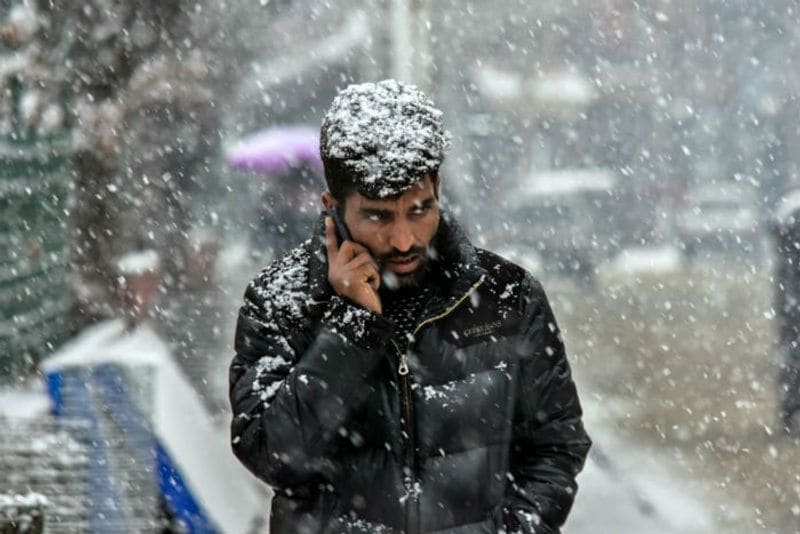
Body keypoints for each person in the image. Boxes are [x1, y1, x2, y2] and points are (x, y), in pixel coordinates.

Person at [229, 79, 591, 534]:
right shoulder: (282, 301)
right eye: (378, 216)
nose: (404, 239)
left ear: (437, 187)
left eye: (419, 210)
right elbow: (271, 454)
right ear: (333, 205)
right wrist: (351, 327)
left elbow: (556, 445)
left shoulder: (506, 297)